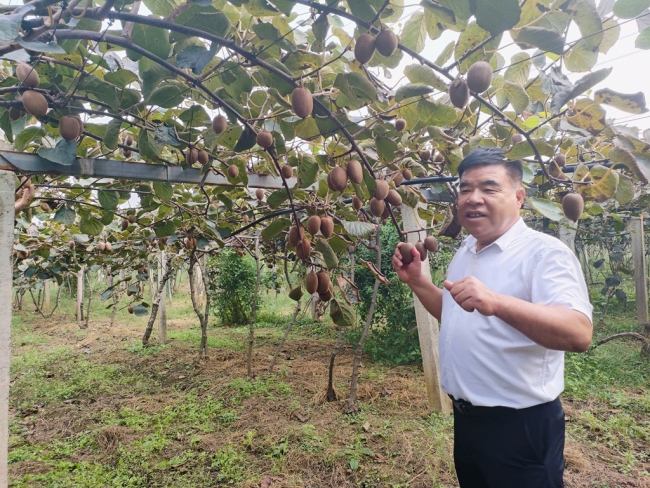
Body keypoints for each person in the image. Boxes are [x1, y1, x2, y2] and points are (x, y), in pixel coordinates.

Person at [392, 146, 593, 488]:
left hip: (521, 428)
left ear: (519, 197)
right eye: (466, 189)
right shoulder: (467, 249)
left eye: (489, 188)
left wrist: (498, 302)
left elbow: (578, 333)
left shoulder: (545, 254)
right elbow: (457, 317)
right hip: (468, 422)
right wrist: (419, 282)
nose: (473, 198)